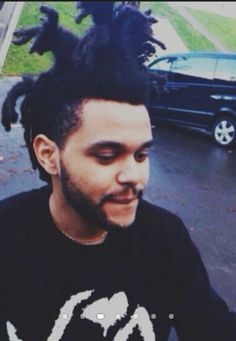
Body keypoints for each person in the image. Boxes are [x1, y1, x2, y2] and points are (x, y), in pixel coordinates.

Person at [0, 3, 236, 341]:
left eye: (141, 154)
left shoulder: (164, 240)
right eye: (107, 156)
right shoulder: (7, 237)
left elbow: (214, 327)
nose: (134, 176)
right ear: (48, 155)